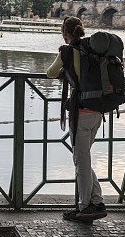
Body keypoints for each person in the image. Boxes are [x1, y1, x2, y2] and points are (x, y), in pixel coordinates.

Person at [46, 16, 107, 222]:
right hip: (97, 112)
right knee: (84, 158)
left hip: (80, 112)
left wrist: (65, 70)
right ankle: (97, 202)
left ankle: (84, 207)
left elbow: (50, 73)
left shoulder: (67, 51)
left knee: (81, 162)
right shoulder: (91, 49)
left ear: (65, 32)